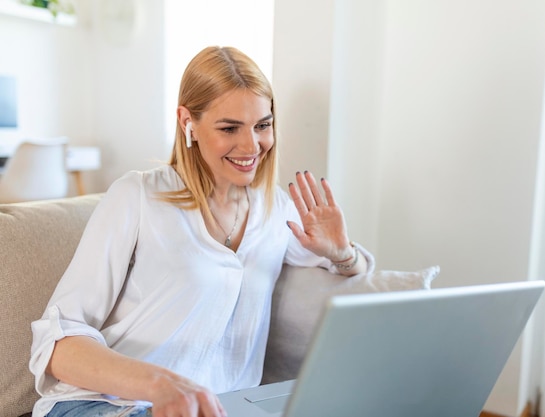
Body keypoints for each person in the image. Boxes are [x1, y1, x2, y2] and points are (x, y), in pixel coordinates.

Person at [29, 46, 373, 417]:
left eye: (263, 125)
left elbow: (350, 270)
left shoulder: (277, 211)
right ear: (186, 121)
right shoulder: (139, 197)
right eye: (229, 128)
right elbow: (58, 340)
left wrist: (342, 252)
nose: (251, 146)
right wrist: (161, 385)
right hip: (103, 404)